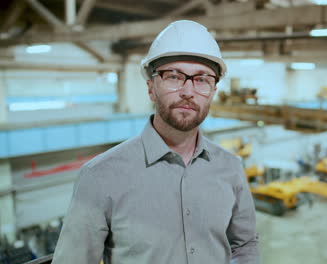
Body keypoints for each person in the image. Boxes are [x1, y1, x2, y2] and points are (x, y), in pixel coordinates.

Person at [52, 20, 259, 264]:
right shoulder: (100, 176)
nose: (188, 91)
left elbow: (245, 245)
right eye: (173, 76)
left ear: (213, 91)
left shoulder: (231, 168)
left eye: (202, 79)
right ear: (151, 88)